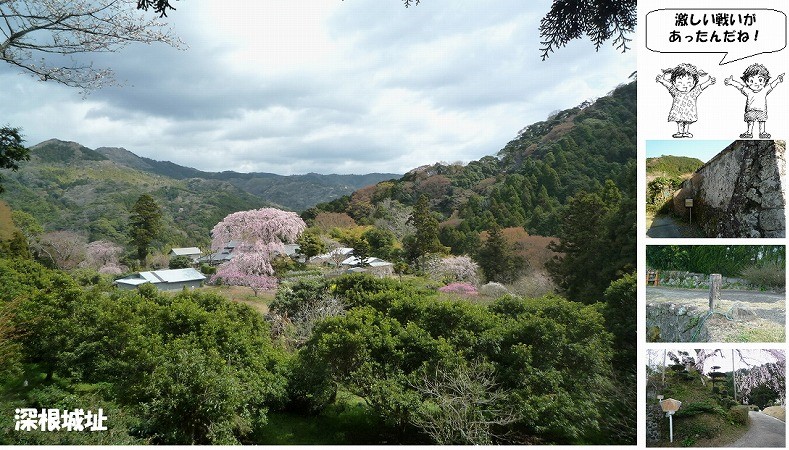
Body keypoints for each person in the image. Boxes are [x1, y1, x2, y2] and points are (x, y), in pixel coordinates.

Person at [725, 63, 784, 139]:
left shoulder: (764, 90)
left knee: (762, 121)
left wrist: (778, 80)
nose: (756, 83)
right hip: (750, 110)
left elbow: (772, 85)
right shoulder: (748, 91)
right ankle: (749, 132)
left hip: (761, 110)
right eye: (752, 80)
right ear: (747, 82)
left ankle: (762, 132)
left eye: (760, 80)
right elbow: (740, 86)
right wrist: (732, 82)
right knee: (750, 121)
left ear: (765, 81)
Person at [656, 63, 716, 138]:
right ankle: (680, 132)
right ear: (674, 83)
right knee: (680, 121)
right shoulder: (676, 92)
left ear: (694, 83)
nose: (684, 86)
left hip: (688, 111)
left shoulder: (693, 92)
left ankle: (686, 132)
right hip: (679, 111)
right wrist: (662, 80)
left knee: (687, 121)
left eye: (689, 83)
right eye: (680, 83)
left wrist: (709, 82)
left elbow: (701, 87)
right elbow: (669, 86)